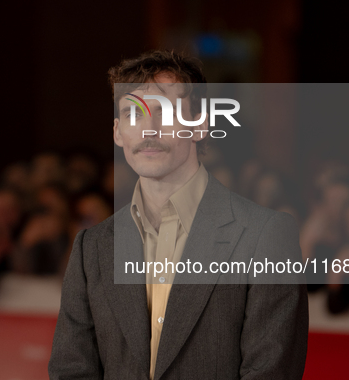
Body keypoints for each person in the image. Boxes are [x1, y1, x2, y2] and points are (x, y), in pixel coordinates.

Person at [49, 50, 308, 379]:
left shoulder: (265, 235)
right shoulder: (92, 247)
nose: (149, 129)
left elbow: (271, 372)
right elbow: (71, 370)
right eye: (133, 114)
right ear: (117, 132)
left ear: (200, 125)